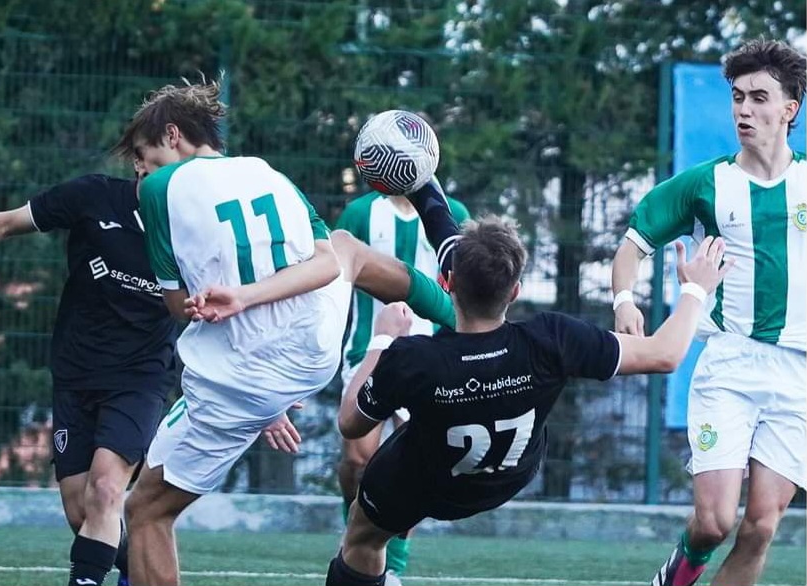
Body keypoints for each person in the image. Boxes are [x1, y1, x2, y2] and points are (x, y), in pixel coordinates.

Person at [111, 81, 458, 586]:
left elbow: (176, 306)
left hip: (239, 374)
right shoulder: (267, 173)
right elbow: (322, 268)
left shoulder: (156, 191)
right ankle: (464, 316)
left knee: (146, 509)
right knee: (346, 247)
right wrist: (251, 300)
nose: (140, 171)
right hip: (311, 349)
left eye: (143, 156)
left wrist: (240, 300)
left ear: (172, 134)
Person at [320, 177, 733, 586]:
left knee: (362, 538)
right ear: (515, 290)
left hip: (424, 481)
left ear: (446, 284)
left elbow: (351, 423)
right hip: (507, 476)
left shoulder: (413, 358)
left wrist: (382, 337)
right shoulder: (550, 340)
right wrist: (695, 289)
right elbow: (666, 354)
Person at [611, 39, 806, 586]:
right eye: (738, 97)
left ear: (790, 109)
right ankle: (676, 573)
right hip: (729, 364)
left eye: (759, 98)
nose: (745, 109)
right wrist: (625, 301)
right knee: (715, 522)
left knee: (761, 527)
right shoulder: (705, 183)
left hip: (799, 374)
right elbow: (632, 245)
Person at [0, 170, 179, 586]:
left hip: (141, 378)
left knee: (106, 489)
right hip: (76, 373)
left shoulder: (193, 224)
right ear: (141, 159)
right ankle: (135, 572)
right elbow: (4, 223)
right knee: (81, 509)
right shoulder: (94, 196)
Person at [334, 186, 470, 579]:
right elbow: (335, 273)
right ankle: (353, 537)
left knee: (413, 467)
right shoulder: (360, 212)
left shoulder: (453, 213)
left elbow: (468, 284)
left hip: (427, 358)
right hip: (367, 348)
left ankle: (392, 567)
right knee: (358, 460)